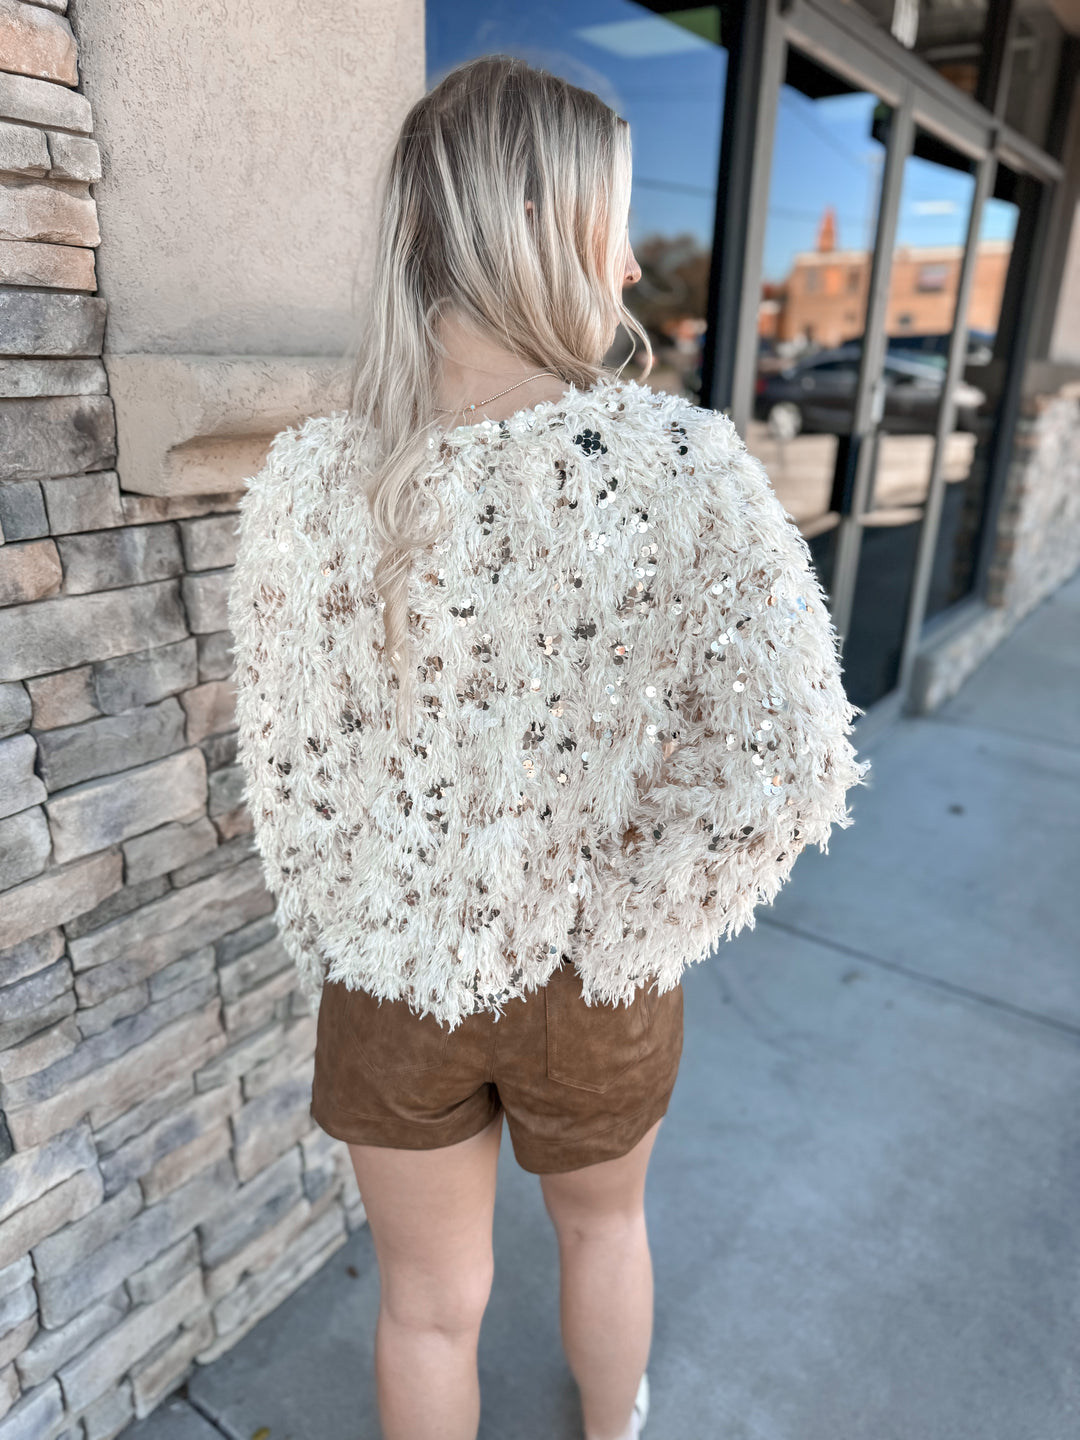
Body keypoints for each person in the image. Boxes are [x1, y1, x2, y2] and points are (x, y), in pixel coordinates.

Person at [228, 54, 868, 1440]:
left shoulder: (309, 479)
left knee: (425, 1306)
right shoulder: (679, 467)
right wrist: (632, 914)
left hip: (391, 972)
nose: (632, 266)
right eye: (610, 227)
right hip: (597, 973)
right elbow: (792, 764)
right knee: (604, 1232)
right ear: (534, 230)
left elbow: (287, 768)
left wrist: (364, 916)